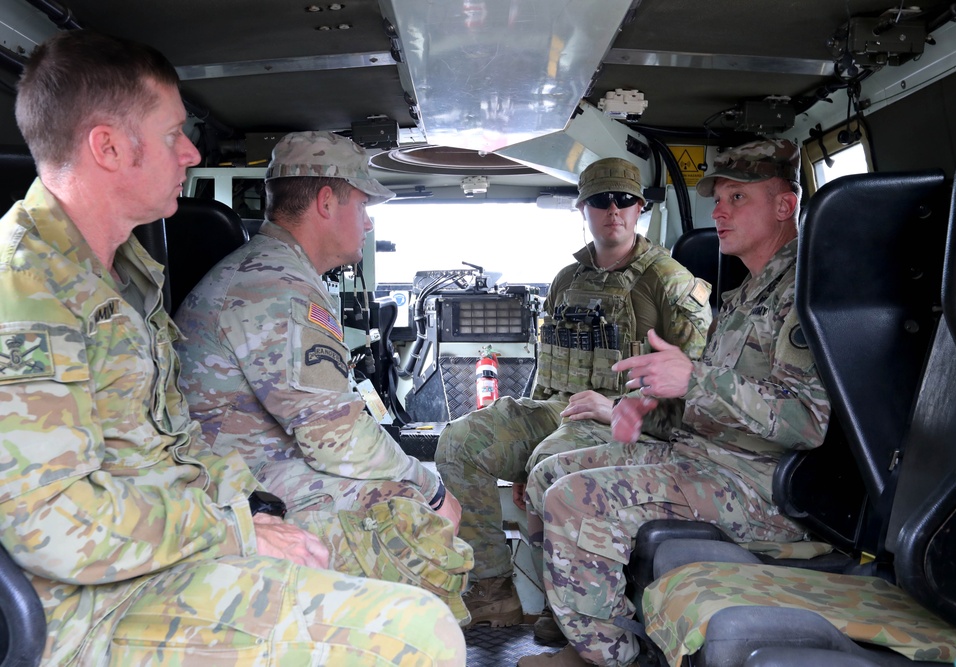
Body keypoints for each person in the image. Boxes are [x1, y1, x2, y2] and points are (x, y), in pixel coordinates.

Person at [0, 30, 464, 665]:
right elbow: (50, 524)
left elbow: (176, 444)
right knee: (416, 632)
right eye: (172, 136)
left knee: (391, 589)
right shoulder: (26, 293)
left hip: (162, 554)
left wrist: (253, 512)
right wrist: (236, 528)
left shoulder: (121, 277)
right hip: (90, 606)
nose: (191, 154)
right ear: (107, 147)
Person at [518, 139, 831, 667]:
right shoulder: (746, 293)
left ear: (785, 206)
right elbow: (708, 398)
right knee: (551, 473)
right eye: (718, 198)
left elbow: (807, 423)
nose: (720, 211)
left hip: (760, 486)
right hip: (704, 459)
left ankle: (608, 659)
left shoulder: (804, 294)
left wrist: (694, 381)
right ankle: (586, 634)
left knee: (575, 499)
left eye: (739, 197)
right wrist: (644, 409)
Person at [173, 130, 474, 616]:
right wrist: (433, 489)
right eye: (363, 204)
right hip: (231, 480)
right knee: (413, 518)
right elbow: (337, 438)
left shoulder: (277, 272)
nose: (370, 222)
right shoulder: (276, 287)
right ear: (328, 201)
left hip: (248, 460)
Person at [434, 157, 714, 629]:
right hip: (562, 409)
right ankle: (493, 589)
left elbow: (699, 397)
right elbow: (550, 369)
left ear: (641, 208)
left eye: (625, 200)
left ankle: (566, 615)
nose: (614, 210)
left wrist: (613, 410)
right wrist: (520, 445)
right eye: (601, 201)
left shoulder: (669, 282)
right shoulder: (567, 280)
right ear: (582, 208)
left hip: (634, 424)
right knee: (461, 442)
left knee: (550, 461)